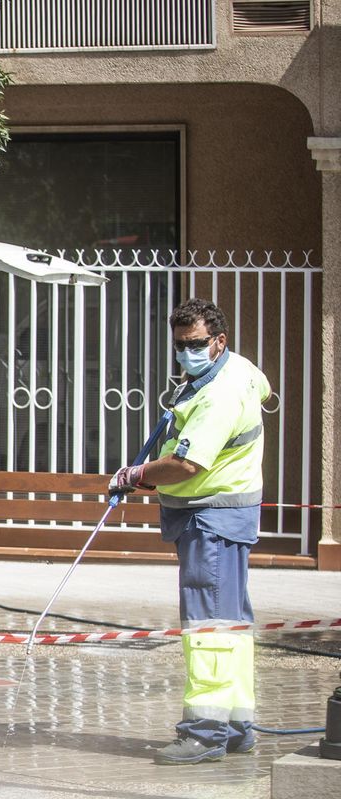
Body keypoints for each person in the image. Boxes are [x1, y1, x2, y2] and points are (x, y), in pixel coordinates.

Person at [109, 298, 270, 764]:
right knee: (231, 625)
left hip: (210, 519)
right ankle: (237, 726)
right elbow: (263, 391)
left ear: (219, 341)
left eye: (196, 344)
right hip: (227, 516)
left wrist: (136, 475)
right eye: (180, 345)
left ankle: (204, 733)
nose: (186, 354)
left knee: (207, 629)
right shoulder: (238, 370)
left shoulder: (219, 396)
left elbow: (187, 463)